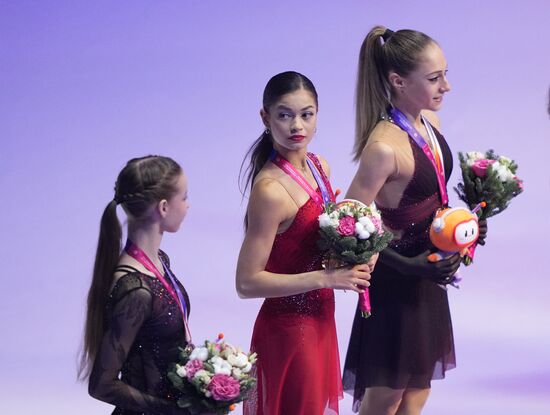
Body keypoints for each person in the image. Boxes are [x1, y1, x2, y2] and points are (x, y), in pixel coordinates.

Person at [342, 27, 487, 415]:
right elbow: (344, 228)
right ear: (398, 82)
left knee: (418, 392)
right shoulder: (383, 147)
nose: (447, 86)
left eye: (444, 74)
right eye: (435, 78)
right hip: (396, 285)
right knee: (387, 394)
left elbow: (433, 198)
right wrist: (408, 264)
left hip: (428, 277)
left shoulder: (430, 125)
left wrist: (468, 226)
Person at [236, 71, 372, 415]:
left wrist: (354, 257)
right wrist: (326, 279)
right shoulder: (270, 190)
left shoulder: (318, 164)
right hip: (289, 329)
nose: (297, 125)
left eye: (306, 114)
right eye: (285, 115)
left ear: (317, 114)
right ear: (265, 118)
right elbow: (247, 281)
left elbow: (314, 244)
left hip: (321, 320)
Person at [78, 155, 198, 415]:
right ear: (164, 207)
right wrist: (174, 411)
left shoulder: (159, 262)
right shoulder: (136, 291)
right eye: (185, 197)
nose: (188, 206)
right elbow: (101, 384)